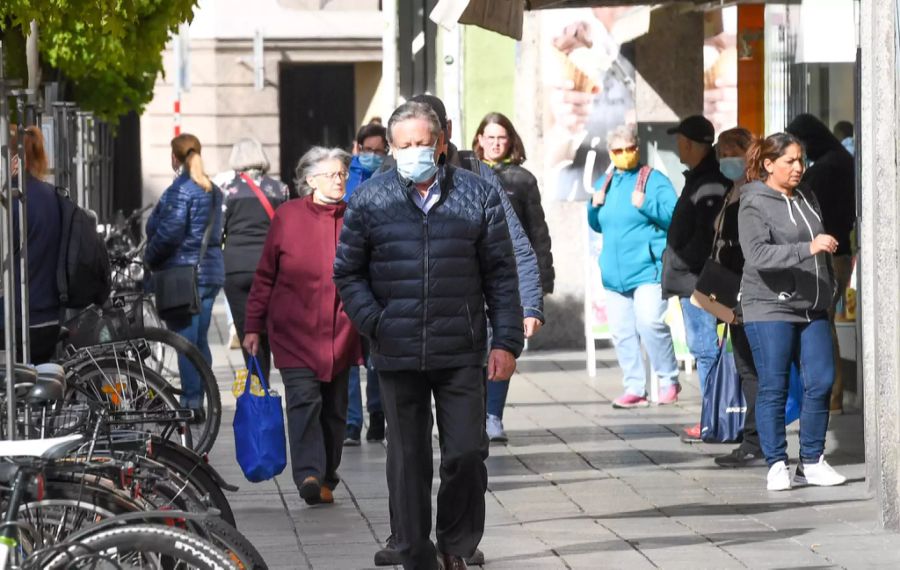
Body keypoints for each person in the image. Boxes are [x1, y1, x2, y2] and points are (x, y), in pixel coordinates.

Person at [334, 101, 524, 570]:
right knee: (407, 458)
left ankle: (456, 544)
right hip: (396, 348)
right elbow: (348, 272)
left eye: (423, 142)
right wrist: (375, 321)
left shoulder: (478, 195)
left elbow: (501, 273)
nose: (415, 151)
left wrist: (505, 341)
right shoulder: (371, 198)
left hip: (460, 346)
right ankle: (415, 550)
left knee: (465, 452)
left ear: (441, 144)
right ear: (392, 150)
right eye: (405, 145)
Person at [243, 147, 362, 506]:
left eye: (342, 174)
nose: (339, 180)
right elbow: (265, 275)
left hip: (342, 332)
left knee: (335, 409)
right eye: (331, 174)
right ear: (309, 180)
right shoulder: (288, 216)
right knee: (304, 401)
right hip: (294, 330)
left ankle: (326, 473)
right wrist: (253, 326)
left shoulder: (357, 215)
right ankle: (308, 474)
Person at [738, 132, 846, 491]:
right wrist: (807, 248)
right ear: (769, 165)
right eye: (790, 161)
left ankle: (812, 461)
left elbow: (817, 247)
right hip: (769, 305)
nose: (799, 167)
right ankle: (776, 463)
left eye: (801, 160)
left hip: (812, 305)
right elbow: (758, 256)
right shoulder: (753, 202)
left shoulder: (805, 197)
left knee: (820, 381)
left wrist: (828, 287)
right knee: (774, 385)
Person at [472, 111, 555, 440]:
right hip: (472, 276)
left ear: (511, 141)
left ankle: (493, 414)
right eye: (489, 137)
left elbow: (535, 235)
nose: (494, 143)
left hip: (506, 276)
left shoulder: (521, 179)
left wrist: (540, 283)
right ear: (478, 139)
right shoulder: (464, 173)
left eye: (501, 138)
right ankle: (474, 412)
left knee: (501, 344)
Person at [586, 125, 680, 408]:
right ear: (610, 153)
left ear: (637, 149)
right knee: (622, 331)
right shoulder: (607, 180)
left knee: (650, 322)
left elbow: (675, 217)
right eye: (618, 150)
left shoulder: (653, 179)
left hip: (647, 269)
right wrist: (593, 207)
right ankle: (635, 387)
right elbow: (597, 223)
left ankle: (668, 380)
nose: (624, 154)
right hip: (615, 273)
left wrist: (647, 204)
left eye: (629, 148)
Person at [661, 115, 729, 441]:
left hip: (698, 281)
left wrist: (683, 263)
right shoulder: (700, 179)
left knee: (704, 348)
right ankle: (713, 415)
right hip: (693, 278)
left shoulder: (708, 182)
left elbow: (708, 235)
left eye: (680, 141)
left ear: (689, 143)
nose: (677, 147)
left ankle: (713, 417)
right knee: (703, 347)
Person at [145, 134, 224, 411]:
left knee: (185, 343)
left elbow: (169, 233)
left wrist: (149, 257)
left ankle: (192, 402)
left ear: (175, 157)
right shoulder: (212, 189)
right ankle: (205, 396)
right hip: (209, 272)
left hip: (184, 275)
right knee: (199, 340)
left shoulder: (182, 190)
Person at [786, 114, 856, 414]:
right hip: (840, 252)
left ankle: (829, 394)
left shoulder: (825, 169)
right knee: (824, 324)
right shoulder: (841, 160)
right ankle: (833, 395)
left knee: (819, 326)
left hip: (825, 255)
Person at [709, 127, 764, 468]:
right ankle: (755, 439)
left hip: (744, 291)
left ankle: (756, 440)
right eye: (721, 154)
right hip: (728, 288)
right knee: (747, 368)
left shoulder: (752, 195)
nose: (724, 159)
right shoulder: (735, 190)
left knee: (752, 369)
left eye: (731, 152)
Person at [221, 137, 289, 384]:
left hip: (236, 268)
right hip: (270, 268)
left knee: (246, 330)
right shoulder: (279, 189)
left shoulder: (227, 190)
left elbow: (219, 230)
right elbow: (286, 229)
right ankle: (267, 380)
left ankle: (257, 383)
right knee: (267, 329)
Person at [0, 127, 62, 364]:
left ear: (13, 158)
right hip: (51, 316)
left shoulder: (13, 200)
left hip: (20, 319)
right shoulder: (50, 195)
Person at [344, 121, 388, 447]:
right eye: (368, 150)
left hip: (380, 276)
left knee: (375, 354)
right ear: (358, 148)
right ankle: (350, 422)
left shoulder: (391, 177)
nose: (373, 155)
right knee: (347, 354)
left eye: (379, 150)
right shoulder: (344, 177)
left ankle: (377, 415)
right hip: (350, 274)